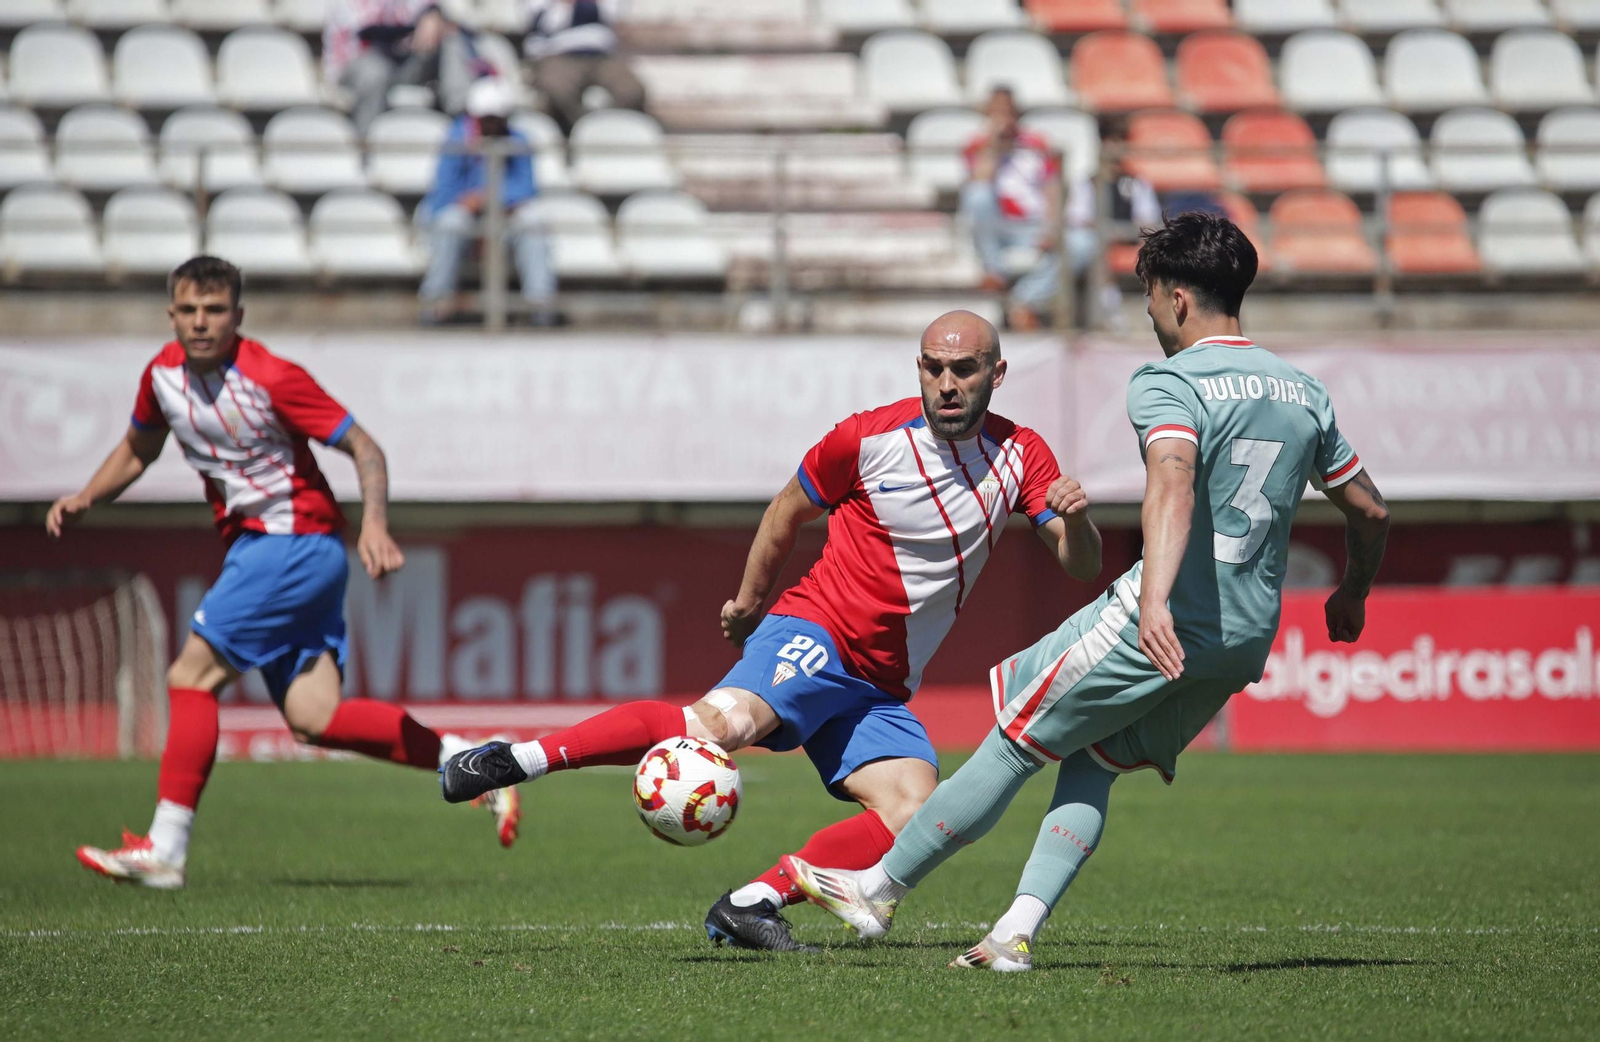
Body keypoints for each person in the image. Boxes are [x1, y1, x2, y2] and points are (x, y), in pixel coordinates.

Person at [785, 213, 1391, 971]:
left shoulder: (1172, 380)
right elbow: (1369, 509)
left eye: (1146, 297)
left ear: (1174, 298)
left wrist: (1156, 601)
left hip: (1160, 619)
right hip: (1243, 638)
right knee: (1093, 763)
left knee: (1012, 740)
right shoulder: (1302, 390)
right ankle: (1012, 935)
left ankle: (878, 889)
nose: (1146, 314)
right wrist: (1352, 593)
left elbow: (1171, 479)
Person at [440, 309, 1103, 952]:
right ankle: (515, 759)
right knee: (718, 729)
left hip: (879, 684)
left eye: (964, 368)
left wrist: (1075, 522)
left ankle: (751, 904)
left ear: (998, 372)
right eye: (933, 368)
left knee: (915, 811)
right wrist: (752, 603)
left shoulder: (1021, 455)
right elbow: (786, 510)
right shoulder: (867, 439)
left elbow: (1084, 564)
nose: (947, 383)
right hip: (817, 634)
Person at [54, 257, 521, 889]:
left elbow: (365, 447)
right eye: (189, 310)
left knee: (190, 675)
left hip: (293, 544)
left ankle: (165, 848)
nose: (201, 322)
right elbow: (140, 446)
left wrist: (376, 524)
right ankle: (475, 761)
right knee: (315, 717)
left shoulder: (271, 376)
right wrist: (87, 495)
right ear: (171, 315)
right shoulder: (161, 378)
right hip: (269, 550)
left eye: (215, 310)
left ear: (237, 317)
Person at [417, 77, 557, 326]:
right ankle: (434, 305)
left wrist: (486, 199)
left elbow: (526, 189)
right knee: (450, 223)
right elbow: (444, 191)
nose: (491, 124)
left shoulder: (518, 139)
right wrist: (471, 205)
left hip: (505, 214)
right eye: (486, 118)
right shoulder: (455, 137)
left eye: (497, 118)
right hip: (463, 214)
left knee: (534, 222)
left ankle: (541, 306)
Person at [326, 1, 478, 133]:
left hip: (403, 63)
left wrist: (433, 16)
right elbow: (371, 33)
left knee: (452, 40)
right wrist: (416, 28)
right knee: (375, 72)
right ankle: (366, 150)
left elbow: (429, 10)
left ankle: (464, 125)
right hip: (357, 64)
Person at [522, 0, 646, 136]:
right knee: (557, 90)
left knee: (632, 90)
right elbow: (545, 21)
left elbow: (614, 13)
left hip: (602, 56)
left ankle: (607, 134)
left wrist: (582, 6)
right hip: (557, 55)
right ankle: (580, 134)